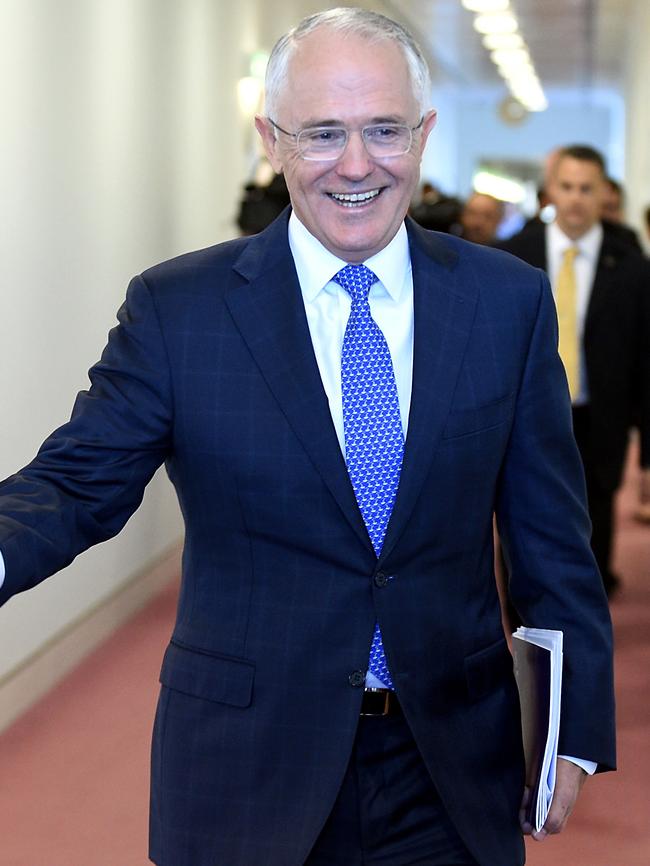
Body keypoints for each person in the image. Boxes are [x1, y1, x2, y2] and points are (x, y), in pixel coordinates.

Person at [0, 9, 616, 866]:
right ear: (272, 139)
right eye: (323, 133)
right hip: (249, 761)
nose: (356, 165)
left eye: (384, 131)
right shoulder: (183, 311)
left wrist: (572, 729)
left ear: (424, 133)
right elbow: (76, 482)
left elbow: (554, 538)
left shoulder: (504, 303)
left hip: (452, 765)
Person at [500, 145, 650, 596]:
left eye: (587, 188)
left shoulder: (631, 267)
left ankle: (588, 610)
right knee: (524, 516)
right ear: (550, 192)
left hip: (597, 416)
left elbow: (645, 358)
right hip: (527, 416)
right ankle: (526, 618)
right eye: (567, 187)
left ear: (604, 193)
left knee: (593, 521)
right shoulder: (512, 256)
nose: (577, 198)